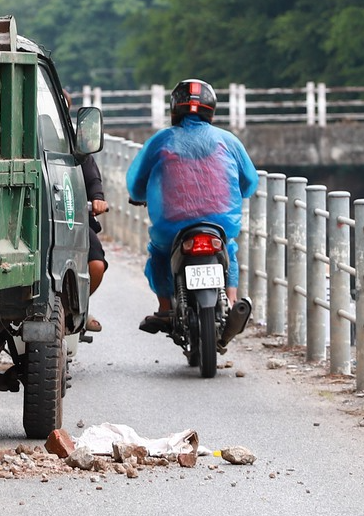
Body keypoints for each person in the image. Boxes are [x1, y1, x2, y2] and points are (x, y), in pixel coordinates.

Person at [125, 79, 259, 342]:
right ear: (211, 109)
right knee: (228, 248)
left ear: (174, 110)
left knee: (160, 254)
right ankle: (231, 302)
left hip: (172, 226)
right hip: (219, 223)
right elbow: (250, 181)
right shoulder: (228, 141)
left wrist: (139, 196)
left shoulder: (161, 141)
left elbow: (137, 182)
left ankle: (165, 308)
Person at [78, 152, 108, 334]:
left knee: (96, 265)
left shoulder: (75, 150)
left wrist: (97, 198)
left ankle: (80, 307)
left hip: (76, 220)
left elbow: (93, 180)